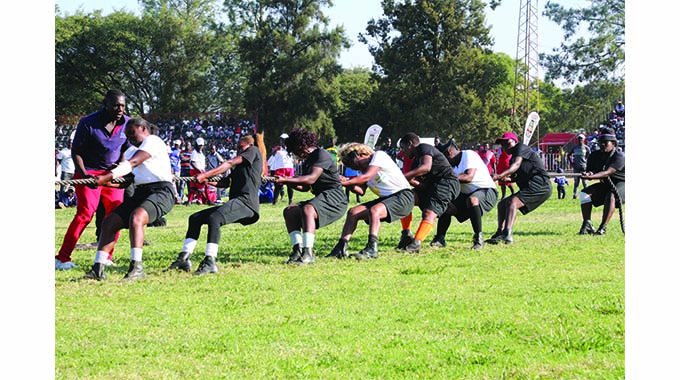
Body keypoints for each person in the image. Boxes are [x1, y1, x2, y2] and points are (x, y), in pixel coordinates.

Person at [83, 118, 176, 280]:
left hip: (161, 191)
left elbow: (134, 163)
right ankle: (98, 268)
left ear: (143, 128)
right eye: (127, 136)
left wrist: (106, 177)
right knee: (109, 222)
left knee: (136, 218)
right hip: (141, 193)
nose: (131, 139)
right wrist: (103, 183)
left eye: (132, 133)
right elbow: (127, 180)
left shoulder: (153, 141)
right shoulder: (132, 150)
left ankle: (137, 267)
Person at [165, 135, 263, 275]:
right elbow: (225, 183)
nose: (238, 151)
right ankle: (184, 258)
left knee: (215, 218)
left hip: (247, 204)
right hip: (237, 203)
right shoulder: (240, 166)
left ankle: (210, 261)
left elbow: (228, 163)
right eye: (237, 148)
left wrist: (205, 174)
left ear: (249, 145)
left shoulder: (253, 151)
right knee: (195, 218)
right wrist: (206, 181)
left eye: (240, 147)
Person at [55, 89, 131, 270]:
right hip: (88, 173)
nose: (120, 109)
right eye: (116, 105)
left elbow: (126, 150)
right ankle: (62, 258)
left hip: (113, 176)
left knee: (116, 215)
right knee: (85, 215)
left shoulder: (127, 123)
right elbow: (76, 152)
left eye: (122, 105)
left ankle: (106, 257)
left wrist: (119, 167)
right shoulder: (88, 123)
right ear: (106, 103)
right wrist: (83, 173)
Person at [327, 143, 414, 260]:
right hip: (387, 199)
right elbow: (361, 190)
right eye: (355, 169)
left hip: (403, 196)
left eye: (357, 165)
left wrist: (346, 182)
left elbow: (367, 177)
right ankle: (341, 247)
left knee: (374, 210)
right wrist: (345, 182)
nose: (359, 169)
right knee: (353, 212)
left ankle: (372, 248)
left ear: (362, 154)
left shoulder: (379, 156)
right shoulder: (363, 170)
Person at [273, 128, 348, 265]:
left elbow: (311, 179)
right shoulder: (308, 161)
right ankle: (298, 250)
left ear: (301, 145)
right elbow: (306, 187)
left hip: (335, 198)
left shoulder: (321, 154)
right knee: (290, 211)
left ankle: (308, 253)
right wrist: (286, 180)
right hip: (322, 196)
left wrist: (288, 180)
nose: (295, 154)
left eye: (294, 150)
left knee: (308, 209)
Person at [398, 132, 460, 253]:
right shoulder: (416, 161)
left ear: (410, 144)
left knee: (429, 212)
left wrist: (403, 177)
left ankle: (416, 244)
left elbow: (426, 167)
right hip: (433, 186)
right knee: (406, 197)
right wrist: (413, 183)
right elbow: (424, 185)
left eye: (403, 147)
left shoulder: (423, 148)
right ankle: (406, 234)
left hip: (447, 182)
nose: (402, 151)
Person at [487, 131, 552, 244]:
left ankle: (507, 234)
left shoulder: (521, 148)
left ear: (515, 142)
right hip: (530, 183)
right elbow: (519, 175)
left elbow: (516, 165)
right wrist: (508, 179)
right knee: (502, 204)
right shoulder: (514, 157)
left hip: (540, 184)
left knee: (513, 202)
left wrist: (499, 176)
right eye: (502, 145)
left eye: (507, 143)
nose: (504, 147)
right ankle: (500, 232)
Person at [432, 140, 498, 250]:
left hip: (487, 191)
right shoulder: (450, 167)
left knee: (473, 199)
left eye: (443, 159)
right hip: (466, 195)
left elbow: (468, 177)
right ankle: (440, 239)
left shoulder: (468, 154)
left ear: (449, 153)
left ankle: (478, 239)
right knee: (446, 206)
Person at [577, 128, 625, 235]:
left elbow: (608, 172)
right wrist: (588, 174)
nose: (602, 145)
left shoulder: (619, 156)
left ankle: (602, 228)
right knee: (585, 193)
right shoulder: (594, 155)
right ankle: (587, 223)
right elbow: (591, 170)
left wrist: (592, 176)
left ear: (613, 143)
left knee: (611, 195)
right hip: (606, 184)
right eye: (600, 142)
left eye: (605, 143)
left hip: (622, 184)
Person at [268, 133, 295, 205]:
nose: (282, 141)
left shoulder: (291, 148)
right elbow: (273, 156)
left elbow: (293, 157)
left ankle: (290, 200)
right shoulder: (277, 148)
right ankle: (274, 201)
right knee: (278, 185)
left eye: (284, 140)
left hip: (289, 167)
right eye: (281, 140)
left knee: (290, 185)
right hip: (280, 167)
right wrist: (275, 151)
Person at [568, 134, 590, 199]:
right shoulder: (574, 147)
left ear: (584, 139)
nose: (580, 140)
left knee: (585, 182)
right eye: (579, 138)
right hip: (576, 166)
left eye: (581, 138)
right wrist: (571, 163)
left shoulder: (586, 148)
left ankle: (586, 195)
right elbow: (568, 155)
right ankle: (575, 195)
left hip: (584, 167)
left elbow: (589, 156)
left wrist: (587, 163)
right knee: (576, 182)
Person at [187, 137, 209, 205]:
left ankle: (198, 200)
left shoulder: (201, 153)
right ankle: (191, 200)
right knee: (197, 186)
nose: (200, 147)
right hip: (195, 170)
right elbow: (192, 163)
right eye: (199, 145)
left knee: (198, 187)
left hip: (200, 170)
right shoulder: (194, 152)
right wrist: (199, 170)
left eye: (201, 145)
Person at [169, 139, 183, 203]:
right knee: (172, 182)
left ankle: (178, 195)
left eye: (177, 145)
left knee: (178, 182)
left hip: (177, 168)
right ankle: (175, 195)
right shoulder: (171, 150)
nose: (176, 146)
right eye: (176, 144)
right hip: (171, 167)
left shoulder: (179, 151)